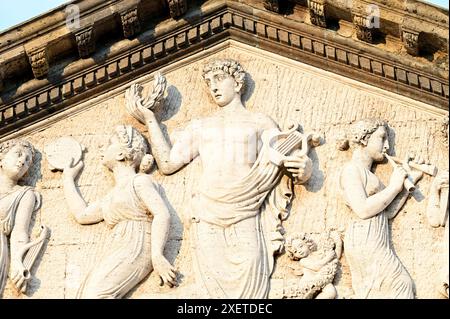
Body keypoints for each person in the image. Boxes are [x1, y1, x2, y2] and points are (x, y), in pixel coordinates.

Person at [126, 59, 313, 298]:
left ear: (237, 83)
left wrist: (304, 169)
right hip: (207, 211)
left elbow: (283, 153)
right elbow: (168, 164)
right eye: (208, 82)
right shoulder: (202, 126)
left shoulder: (260, 122)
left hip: (246, 208)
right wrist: (151, 120)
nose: (212, 86)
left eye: (218, 79)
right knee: (212, 289)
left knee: (252, 274)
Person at [62, 125, 176, 298]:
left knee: (94, 295)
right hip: (117, 246)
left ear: (121, 154)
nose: (102, 148)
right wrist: (68, 179)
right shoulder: (111, 196)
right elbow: (82, 215)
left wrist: (157, 255)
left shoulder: (139, 182)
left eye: (109, 144)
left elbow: (162, 214)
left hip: (135, 244)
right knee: (86, 293)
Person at [338, 118, 423, 298]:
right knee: (400, 283)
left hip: (377, 236)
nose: (387, 146)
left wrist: (407, 185)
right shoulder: (351, 170)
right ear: (363, 139)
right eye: (382, 138)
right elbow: (362, 209)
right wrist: (393, 186)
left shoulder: (368, 174)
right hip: (364, 237)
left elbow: (387, 212)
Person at [0, 139, 40, 297]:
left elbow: (20, 232)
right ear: (1, 158)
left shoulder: (24, 195)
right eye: (18, 154)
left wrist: (17, 260)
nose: (23, 160)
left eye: (28, 160)